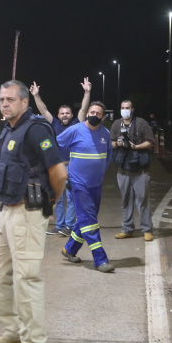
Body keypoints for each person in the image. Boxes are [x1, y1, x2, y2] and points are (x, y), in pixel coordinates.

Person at [0, 80, 66, 343]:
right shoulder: (9, 130)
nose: (4, 104)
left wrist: (50, 203)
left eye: (10, 99)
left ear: (23, 102)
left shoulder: (36, 130)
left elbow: (59, 173)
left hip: (27, 212)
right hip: (4, 210)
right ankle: (14, 330)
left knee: (27, 278)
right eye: (1, 99)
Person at [30, 77, 91, 236]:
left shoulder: (77, 124)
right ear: (58, 115)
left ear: (72, 115)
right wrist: (36, 95)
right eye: (62, 113)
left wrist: (87, 92)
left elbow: (84, 109)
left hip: (73, 167)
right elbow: (43, 111)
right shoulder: (55, 123)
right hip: (57, 166)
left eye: (67, 113)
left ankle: (69, 226)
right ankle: (59, 225)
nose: (65, 115)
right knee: (57, 197)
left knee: (71, 198)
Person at [59, 102, 114, 272]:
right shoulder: (75, 130)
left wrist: (99, 173)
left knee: (84, 220)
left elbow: (108, 156)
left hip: (96, 185)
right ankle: (100, 259)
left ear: (103, 117)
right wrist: (60, 168)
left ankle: (69, 249)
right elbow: (55, 144)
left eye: (98, 113)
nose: (94, 115)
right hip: (79, 184)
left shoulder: (105, 133)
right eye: (92, 112)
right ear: (87, 113)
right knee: (90, 222)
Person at [110, 99, 156, 241]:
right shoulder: (117, 124)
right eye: (123, 107)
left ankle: (147, 229)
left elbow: (151, 142)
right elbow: (110, 143)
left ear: (132, 109)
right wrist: (119, 143)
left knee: (142, 200)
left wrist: (135, 146)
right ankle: (127, 229)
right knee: (126, 200)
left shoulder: (142, 123)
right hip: (123, 170)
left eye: (128, 108)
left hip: (141, 170)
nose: (125, 110)